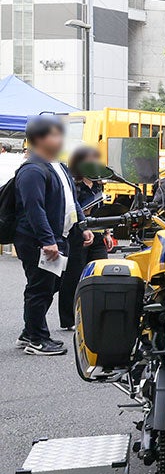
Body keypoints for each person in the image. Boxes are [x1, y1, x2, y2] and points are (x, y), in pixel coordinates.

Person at [12, 115, 83, 356]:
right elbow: (34, 208)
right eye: (55, 134)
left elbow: (71, 201)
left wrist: (82, 227)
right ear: (40, 139)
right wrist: (47, 240)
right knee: (41, 287)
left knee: (51, 284)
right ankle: (37, 339)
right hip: (38, 240)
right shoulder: (32, 169)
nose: (61, 139)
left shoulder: (58, 166)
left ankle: (29, 330)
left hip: (58, 237)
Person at [57, 146, 112, 334]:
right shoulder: (73, 184)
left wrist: (107, 233)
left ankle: (98, 314)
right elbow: (70, 210)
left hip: (97, 233)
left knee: (101, 272)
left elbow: (102, 211)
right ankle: (68, 319)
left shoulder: (98, 184)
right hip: (77, 234)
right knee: (73, 276)